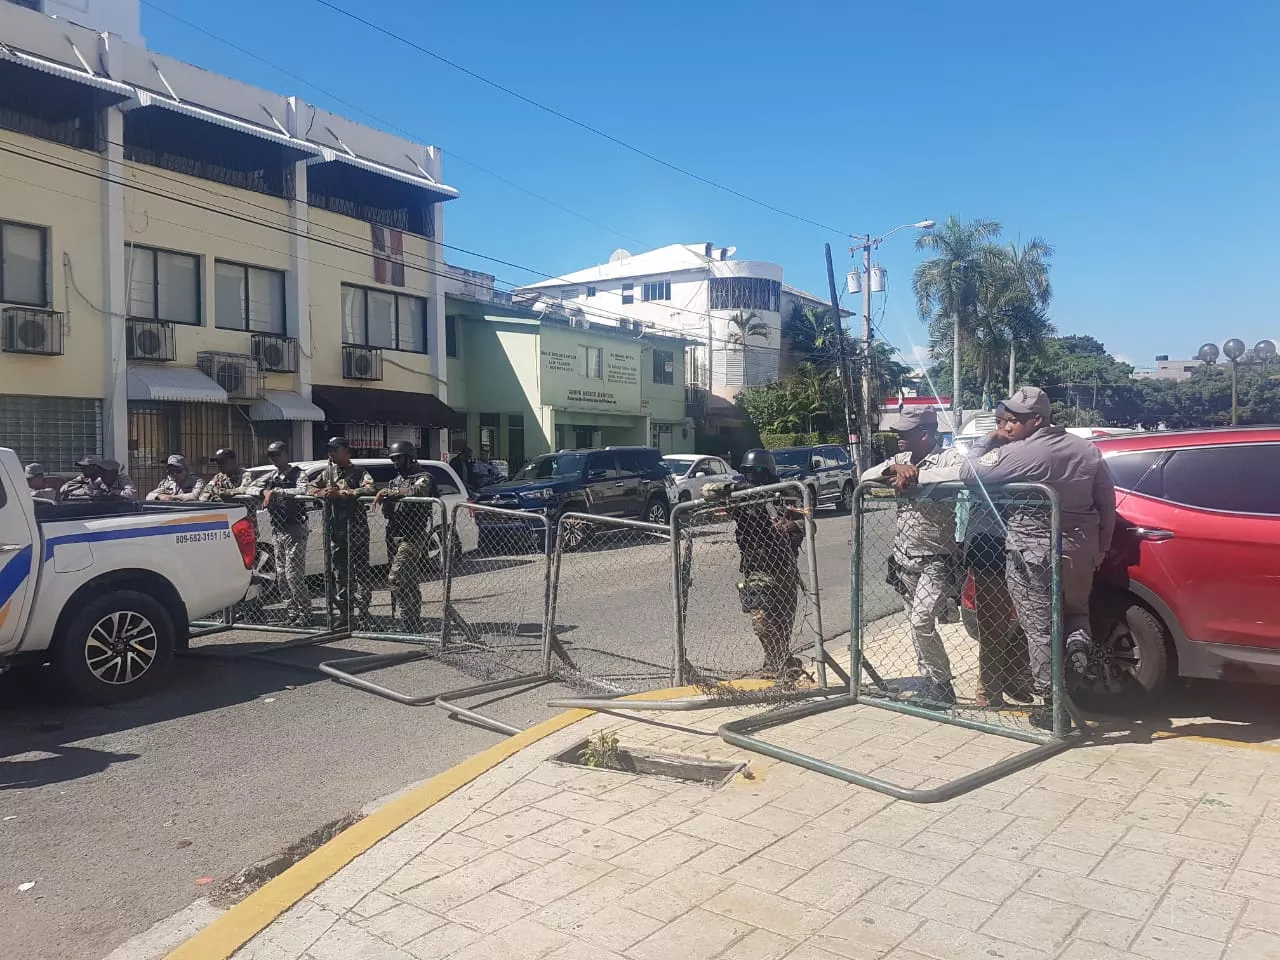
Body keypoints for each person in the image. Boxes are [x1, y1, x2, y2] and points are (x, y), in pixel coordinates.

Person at [913, 386, 1117, 727]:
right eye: (1004, 421)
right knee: (1076, 612)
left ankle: (1053, 706)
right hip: (1081, 548)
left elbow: (968, 473)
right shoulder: (1087, 449)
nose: (1006, 427)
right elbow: (1106, 502)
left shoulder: (1026, 452)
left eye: (1012, 421)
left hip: (1032, 550)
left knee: (1038, 629)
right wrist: (1102, 546)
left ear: (1036, 420)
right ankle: (1078, 645)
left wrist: (989, 440)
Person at [860, 408, 964, 707]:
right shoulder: (900, 460)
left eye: (905, 434)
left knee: (922, 621)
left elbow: (962, 474)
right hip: (904, 556)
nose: (899, 439)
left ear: (925, 434)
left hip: (937, 557)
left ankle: (942, 683)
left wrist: (919, 475)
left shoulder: (947, 457)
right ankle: (931, 683)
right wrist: (892, 471)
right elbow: (864, 477)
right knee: (914, 622)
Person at [702, 448, 807, 678]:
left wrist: (790, 526)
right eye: (748, 471)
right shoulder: (740, 494)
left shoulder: (785, 492)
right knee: (761, 621)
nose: (753, 475)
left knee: (781, 626)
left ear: (768, 470)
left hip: (785, 569)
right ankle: (780, 665)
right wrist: (736, 490)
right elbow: (707, 491)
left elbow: (808, 523)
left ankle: (780, 664)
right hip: (756, 568)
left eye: (758, 471)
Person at [309, 437, 374, 627]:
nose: (331, 453)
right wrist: (320, 493)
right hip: (336, 532)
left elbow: (370, 488)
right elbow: (310, 486)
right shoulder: (328, 472)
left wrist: (344, 492)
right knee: (340, 575)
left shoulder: (359, 472)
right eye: (329, 450)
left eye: (335, 449)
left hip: (356, 531)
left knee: (361, 575)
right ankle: (345, 615)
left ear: (346, 452)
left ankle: (364, 616)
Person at [373, 441, 438, 631]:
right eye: (393, 458)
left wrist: (389, 492)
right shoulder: (396, 480)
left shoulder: (423, 477)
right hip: (395, 533)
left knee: (396, 577)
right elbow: (388, 507)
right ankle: (412, 622)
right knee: (409, 580)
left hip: (413, 535)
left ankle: (408, 619)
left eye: (398, 458)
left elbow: (419, 491)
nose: (395, 462)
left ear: (409, 457)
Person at [250, 441, 312, 627]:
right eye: (271, 456)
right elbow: (249, 487)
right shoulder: (271, 476)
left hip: (295, 528)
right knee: (282, 575)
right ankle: (292, 614)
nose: (275, 459)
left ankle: (305, 614)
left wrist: (277, 492)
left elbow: (303, 490)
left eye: (277, 454)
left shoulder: (298, 474)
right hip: (278, 528)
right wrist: (264, 491)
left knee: (294, 575)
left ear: (286, 454)